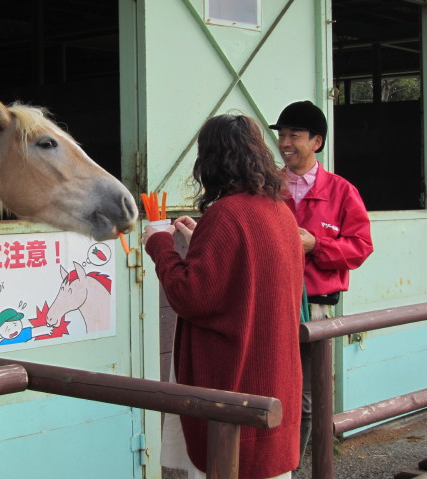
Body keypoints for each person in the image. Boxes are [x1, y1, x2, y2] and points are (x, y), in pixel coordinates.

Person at [142, 114, 304, 479]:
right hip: (274, 384)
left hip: (234, 383)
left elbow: (190, 295)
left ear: (209, 160)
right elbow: (244, 268)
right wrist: (201, 237)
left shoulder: (225, 215)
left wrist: (159, 243)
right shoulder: (280, 212)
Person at [269, 101, 374, 475]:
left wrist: (317, 245)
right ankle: (275, 467)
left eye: (293, 135)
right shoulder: (267, 187)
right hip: (270, 305)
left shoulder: (343, 192)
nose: (284, 143)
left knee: (308, 399)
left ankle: (294, 467)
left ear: (316, 141)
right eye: (280, 135)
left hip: (316, 309)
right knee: (270, 391)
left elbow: (361, 247)